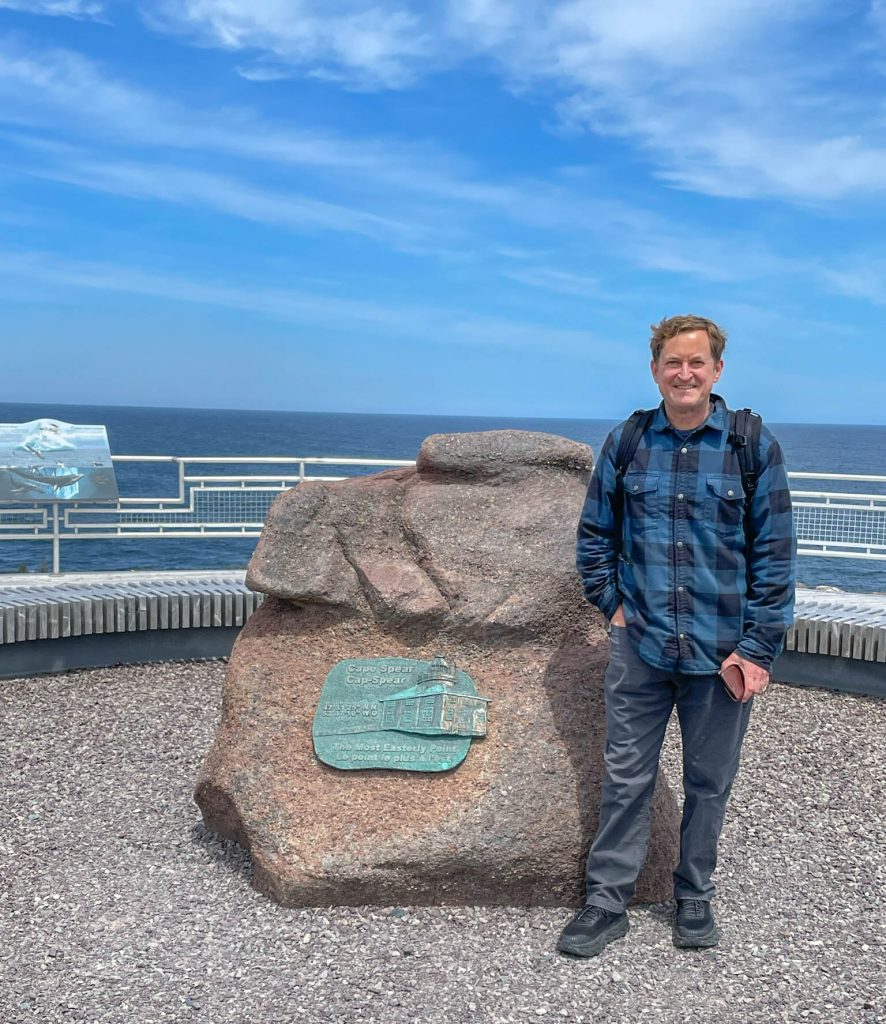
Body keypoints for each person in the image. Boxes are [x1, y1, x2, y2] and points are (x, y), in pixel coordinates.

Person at [557, 314, 796, 958]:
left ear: (717, 370)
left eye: (697, 362)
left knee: (709, 781)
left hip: (723, 651)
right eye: (673, 362)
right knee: (626, 776)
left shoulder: (751, 446)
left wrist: (757, 648)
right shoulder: (629, 441)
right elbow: (594, 538)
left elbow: (775, 557)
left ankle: (693, 895)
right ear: (655, 369)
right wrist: (613, 605)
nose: (684, 373)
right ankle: (607, 901)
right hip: (642, 648)